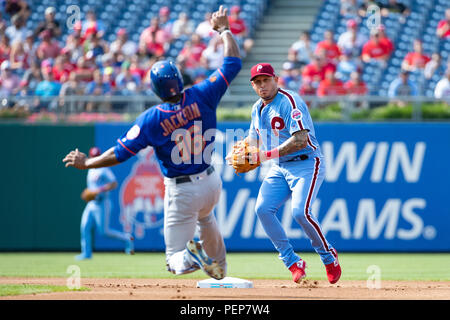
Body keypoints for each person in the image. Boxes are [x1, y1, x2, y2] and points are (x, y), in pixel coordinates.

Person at [63, 6, 242, 280]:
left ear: (156, 90)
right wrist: (225, 29)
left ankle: (191, 256)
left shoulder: (151, 119)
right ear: (179, 79)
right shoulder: (203, 94)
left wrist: (88, 162)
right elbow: (233, 63)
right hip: (210, 182)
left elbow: (119, 153)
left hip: (182, 190)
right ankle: (220, 270)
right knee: (206, 218)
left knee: (174, 259)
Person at [229, 62, 341, 284]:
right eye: (257, 82)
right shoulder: (257, 108)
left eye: (266, 80)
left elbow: (300, 140)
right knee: (262, 209)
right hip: (280, 166)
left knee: (300, 212)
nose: (262, 86)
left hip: (307, 162)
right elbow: (253, 139)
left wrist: (263, 155)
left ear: (276, 80)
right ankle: (292, 262)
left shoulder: (289, 101)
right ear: (253, 86)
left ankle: (328, 256)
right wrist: (240, 151)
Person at [74, 147, 134, 260]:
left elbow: (114, 184)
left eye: (97, 156)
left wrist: (98, 190)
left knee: (104, 232)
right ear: (90, 156)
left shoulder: (104, 169)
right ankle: (86, 253)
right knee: (85, 227)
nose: (95, 158)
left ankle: (127, 238)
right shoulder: (90, 168)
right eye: (93, 156)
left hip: (102, 203)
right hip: (92, 204)